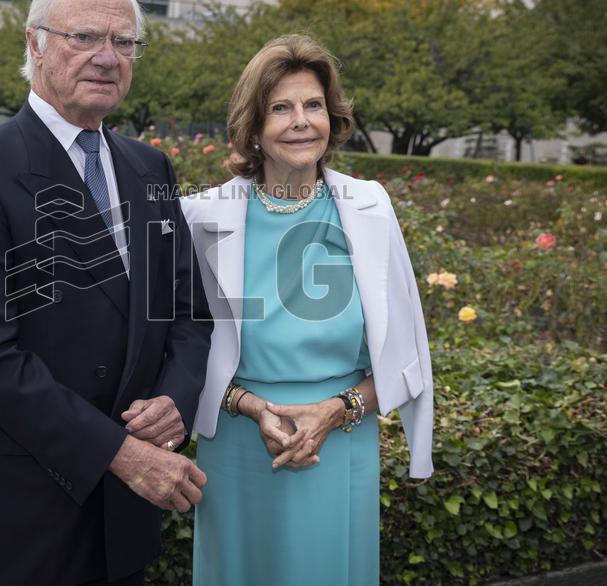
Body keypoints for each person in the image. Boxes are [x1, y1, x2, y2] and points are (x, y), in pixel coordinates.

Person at [0, 0, 213, 586]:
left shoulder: (150, 166)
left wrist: (177, 400)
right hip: (21, 514)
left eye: (124, 42)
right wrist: (121, 453)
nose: (108, 58)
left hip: (124, 522)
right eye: (85, 37)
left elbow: (186, 310)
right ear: (35, 43)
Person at [181, 35, 434, 586]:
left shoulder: (369, 207)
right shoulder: (201, 216)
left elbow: (403, 356)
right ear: (252, 127)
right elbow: (179, 347)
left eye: (313, 105)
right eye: (281, 108)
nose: (302, 121)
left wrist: (335, 410)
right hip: (238, 447)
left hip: (341, 447)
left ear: (332, 116)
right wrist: (248, 406)